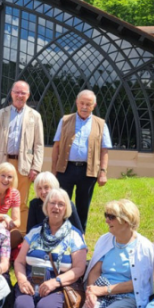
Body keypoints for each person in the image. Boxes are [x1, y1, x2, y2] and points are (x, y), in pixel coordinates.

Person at [0, 80, 44, 232]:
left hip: (24, 165)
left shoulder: (35, 116)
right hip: (3, 163)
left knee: (22, 203)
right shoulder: (0, 114)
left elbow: (38, 144)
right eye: (16, 92)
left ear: (28, 95)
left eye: (23, 93)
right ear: (11, 94)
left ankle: (19, 236)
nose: (19, 95)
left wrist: (36, 167)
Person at [51, 89, 112, 233]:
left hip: (88, 171)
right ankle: (59, 231)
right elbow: (56, 147)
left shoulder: (101, 124)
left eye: (88, 104)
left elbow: (105, 150)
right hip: (66, 169)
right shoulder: (65, 120)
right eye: (82, 103)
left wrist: (102, 172)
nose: (84, 107)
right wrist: (53, 171)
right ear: (77, 103)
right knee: (61, 203)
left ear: (94, 105)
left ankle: (79, 234)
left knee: (83, 205)